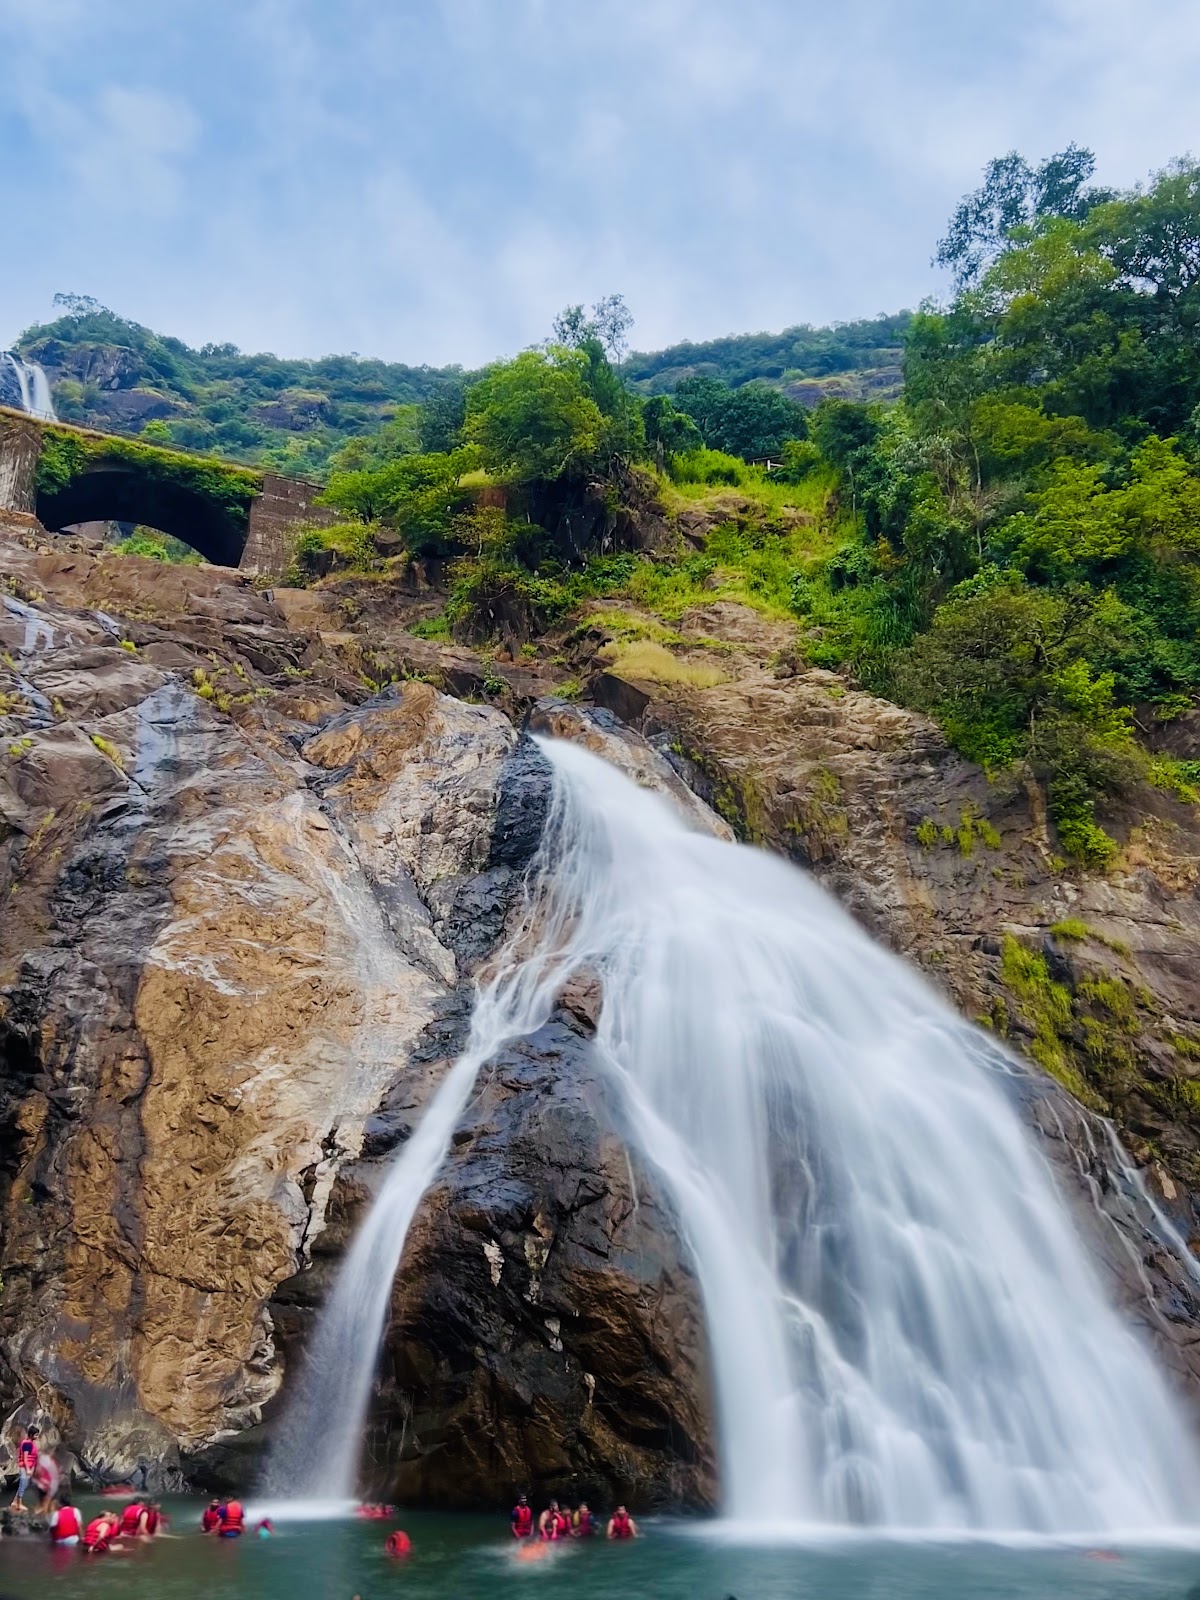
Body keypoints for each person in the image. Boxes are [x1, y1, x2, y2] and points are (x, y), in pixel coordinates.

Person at [11, 1425, 38, 1510]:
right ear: (31, 1435)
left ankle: (15, 1501)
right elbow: (25, 1458)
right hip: (25, 1467)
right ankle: (19, 1504)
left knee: (24, 1484)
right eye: (36, 1435)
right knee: (23, 1484)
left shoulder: (31, 1443)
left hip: (29, 1467)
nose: (37, 1436)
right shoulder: (27, 1444)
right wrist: (28, 1469)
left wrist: (32, 1468)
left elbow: (32, 1457)